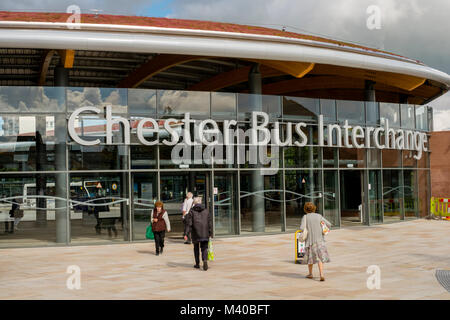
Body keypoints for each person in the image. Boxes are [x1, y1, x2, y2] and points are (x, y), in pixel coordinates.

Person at [300, 202, 332, 281]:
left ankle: (310, 274)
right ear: (314, 208)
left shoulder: (305, 217)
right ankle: (321, 274)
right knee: (320, 258)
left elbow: (302, 227)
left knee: (310, 258)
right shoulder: (319, 216)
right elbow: (329, 224)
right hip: (320, 240)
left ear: (305, 209)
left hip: (310, 242)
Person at [184, 197, 213, 271]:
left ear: (194, 203)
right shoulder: (206, 211)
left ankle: (197, 264)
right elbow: (209, 223)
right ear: (200, 202)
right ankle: (205, 260)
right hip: (205, 232)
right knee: (204, 248)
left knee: (196, 248)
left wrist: (186, 233)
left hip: (195, 233)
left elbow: (189, 224)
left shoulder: (192, 211)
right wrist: (210, 232)